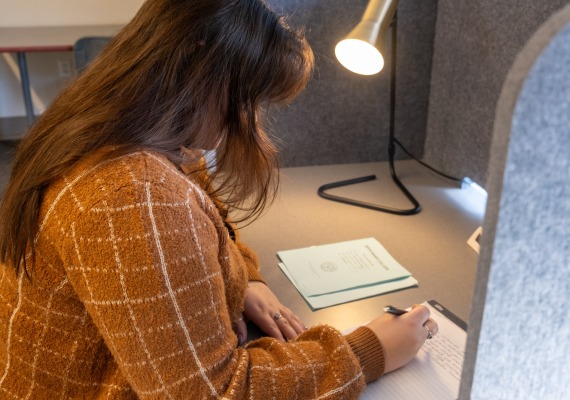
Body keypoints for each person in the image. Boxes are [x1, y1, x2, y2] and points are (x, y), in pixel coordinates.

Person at [0, 0, 438, 398]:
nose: (248, 121)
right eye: (249, 101)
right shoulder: (134, 198)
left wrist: (246, 278)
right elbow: (215, 391)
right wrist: (370, 350)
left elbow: (208, 209)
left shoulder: (127, 132)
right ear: (203, 77)